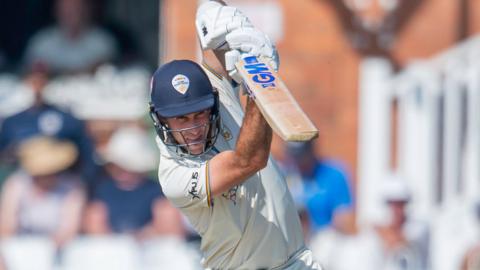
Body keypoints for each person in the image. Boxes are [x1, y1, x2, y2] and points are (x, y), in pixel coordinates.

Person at [148, 2, 321, 269]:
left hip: (299, 261)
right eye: (181, 118)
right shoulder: (175, 176)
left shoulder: (216, 95)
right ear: (161, 120)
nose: (193, 127)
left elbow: (213, 40)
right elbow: (248, 161)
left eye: (198, 115)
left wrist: (213, 15)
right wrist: (260, 81)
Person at [83, 126, 185, 240]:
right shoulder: (103, 190)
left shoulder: (156, 191)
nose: (120, 169)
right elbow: (95, 227)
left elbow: (170, 229)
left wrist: (141, 236)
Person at [0, 136, 86, 249]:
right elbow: (7, 224)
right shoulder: (17, 184)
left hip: (57, 249)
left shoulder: (72, 187)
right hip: (20, 246)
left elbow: (69, 228)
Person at [22, 0, 118, 75]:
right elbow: (31, 74)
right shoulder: (41, 42)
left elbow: (108, 71)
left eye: (77, 8)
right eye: (66, 8)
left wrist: (57, 72)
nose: (72, 13)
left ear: (87, 10)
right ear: (56, 10)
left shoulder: (103, 41)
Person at [284, 141, 356, 236]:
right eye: (295, 157)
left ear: (311, 151)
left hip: (325, 239)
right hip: (293, 240)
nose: (299, 162)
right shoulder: (285, 175)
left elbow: (345, 218)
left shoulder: (333, 175)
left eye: (302, 157)